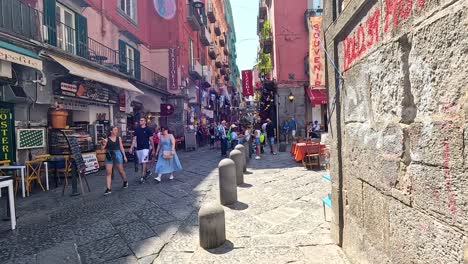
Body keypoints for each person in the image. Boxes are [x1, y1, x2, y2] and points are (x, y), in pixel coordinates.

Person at [101, 126, 128, 195]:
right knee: (108, 172)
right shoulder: (107, 139)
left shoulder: (118, 138)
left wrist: (124, 156)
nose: (116, 131)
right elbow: (102, 148)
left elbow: (121, 147)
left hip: (117, 154)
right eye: (115, 130)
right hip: (109, 155)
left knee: (120, 170)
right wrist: (103, 143)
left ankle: (125, 181)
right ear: (111, 131)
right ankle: (108, 189)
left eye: (117, 130)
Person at [130, 118, 154, 183]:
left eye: (142, 120)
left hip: (146, 148)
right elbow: (134, 139)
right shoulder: (137, 130)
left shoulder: (148, 129)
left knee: (144, 161)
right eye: (140, 120)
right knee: (142, 162)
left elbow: (151, 140)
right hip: (139, 148)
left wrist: (153, 149)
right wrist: (131, 147)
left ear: (145, 122)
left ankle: (142, 176)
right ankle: (148, 171)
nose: (140, 121)